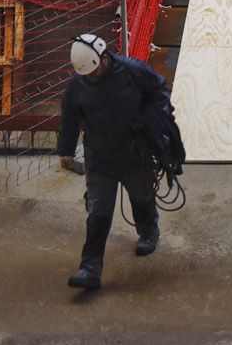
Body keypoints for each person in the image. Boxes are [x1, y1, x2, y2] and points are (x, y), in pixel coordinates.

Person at [56, 33, 174, 291]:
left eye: (94, 71)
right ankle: (90, 269)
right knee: (98, 212)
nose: (90, 77)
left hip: (134, 152)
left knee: (142, 196)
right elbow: (70, 119)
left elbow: (159, 90)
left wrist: (152, 120)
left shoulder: (133, 71)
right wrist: (66, 151)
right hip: (100, 158)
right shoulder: (78, 85)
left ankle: (148, 230)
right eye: (86, 74)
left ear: (104, 57)